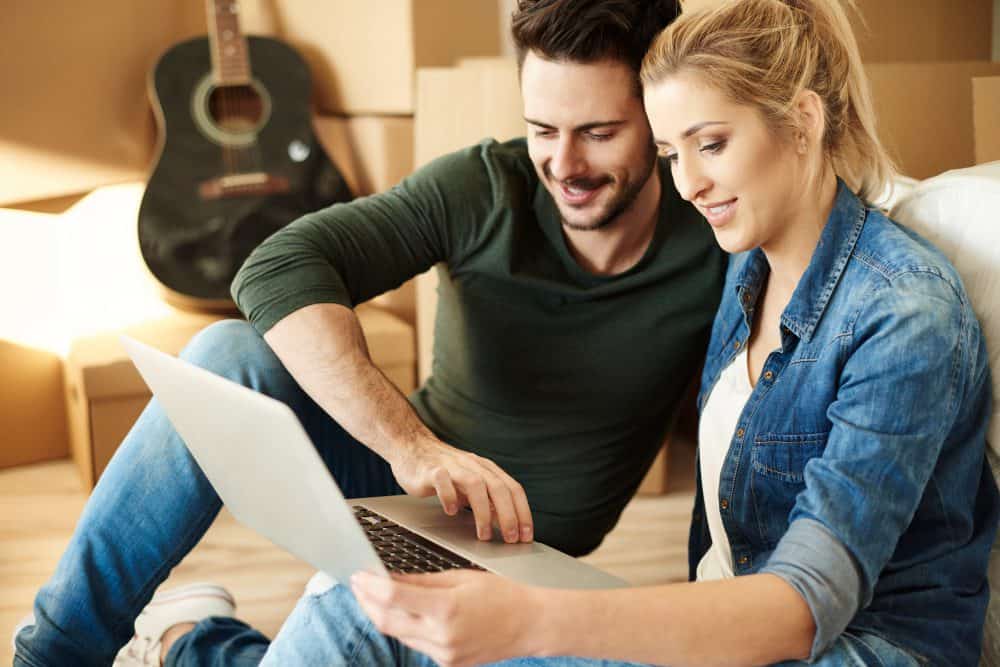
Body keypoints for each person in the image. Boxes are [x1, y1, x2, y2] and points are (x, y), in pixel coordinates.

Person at [260, 0, 997, 664]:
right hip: (721, 628)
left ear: (803, 120)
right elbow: (284, 265)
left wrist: (535, 618)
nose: (687, 186)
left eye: (710, 145)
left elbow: (803, 604)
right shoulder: (747, 272)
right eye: (674, 154)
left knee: (379, 616)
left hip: (845, 648)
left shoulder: (903, 313)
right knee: (360, 597)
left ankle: (200, 640)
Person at [14, 1, 727, 665]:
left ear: (660, 115)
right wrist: (412, 447)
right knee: (222, 355)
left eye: (598, 134)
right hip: (401, 484)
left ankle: (192, 643)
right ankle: (55, 651)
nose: (564, 166)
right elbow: (277, 266)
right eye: (543, 130)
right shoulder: (484, 187)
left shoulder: (715, 237)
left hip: (529, 567)